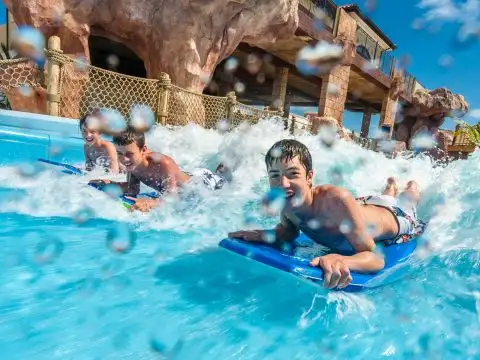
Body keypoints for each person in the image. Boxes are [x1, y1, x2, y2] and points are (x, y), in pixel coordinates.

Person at [228, 139, 425, 290]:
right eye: (275, 176)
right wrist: (267, 235)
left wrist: (343, 260)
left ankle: (411, 186)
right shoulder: (286, 198)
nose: (283, 183)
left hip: (397, 217)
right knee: (386, 195)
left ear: (309, 177)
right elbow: (289, 231)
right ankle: (390, 188)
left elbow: (376, 258)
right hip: (361, 206)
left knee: (407, 200)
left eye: (293, 174)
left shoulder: (335, 201)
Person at [89, 127, 230, 212]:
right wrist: (110, 184)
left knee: (223, 180)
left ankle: (222, 168)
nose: (124, 159)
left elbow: (172, 199)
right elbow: (132, 190)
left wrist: (149, 203)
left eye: (129, 154)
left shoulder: (163, 163)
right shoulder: (132, 165)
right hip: (188, 177)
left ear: (143, 150)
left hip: (203, 183)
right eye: (119, 154)